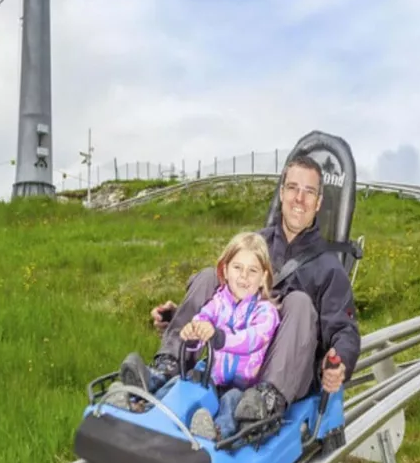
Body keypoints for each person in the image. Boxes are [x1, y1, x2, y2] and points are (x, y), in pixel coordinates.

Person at [142, 152, 360, 431]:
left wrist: (340, 362)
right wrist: (177, 316)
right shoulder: (256, 245)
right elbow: (225, 299)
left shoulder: (329, 268)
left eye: (308, 192)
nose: (299, 199)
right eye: (293, 188)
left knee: (299, 302)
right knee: (212, 275)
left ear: (318, 203)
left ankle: (266, 399)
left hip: (286, 371)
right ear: (282, 193)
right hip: (235, 357)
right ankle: (168, 365)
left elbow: (345, 331)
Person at [171, 232, 281, 440]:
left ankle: (217, 433)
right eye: (237, 268)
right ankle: (153, 404)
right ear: (226, 270)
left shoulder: (266, 312)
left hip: (242, 385)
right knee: (187, 380)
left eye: (252, 271)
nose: (243, 276)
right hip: (211, 378)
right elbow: (204, 318)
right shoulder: (218, 302)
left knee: (231, 401)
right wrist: (194, 332)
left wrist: (220, 338)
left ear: (263, 278)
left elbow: (252, 339)